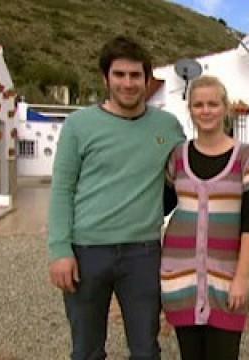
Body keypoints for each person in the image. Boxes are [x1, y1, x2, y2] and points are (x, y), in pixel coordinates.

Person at [47, 35, 185, 360]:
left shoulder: (167, 126)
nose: (128, 83)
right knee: (86, 351)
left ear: (147, 80)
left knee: (146, 350)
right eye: (119, 74)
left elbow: (190, 173)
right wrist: (59, 250)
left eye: (135, 75)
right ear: (105, 78)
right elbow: (62, 190)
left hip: (143, 253)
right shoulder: (79, 125)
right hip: (86, 253)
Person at [160, 75, 249, 360]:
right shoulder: (177, 157)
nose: (205, 110)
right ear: (190, 110)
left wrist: (242, 277)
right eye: (198, 105)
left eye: (212, 103)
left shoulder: (247, 158)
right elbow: (160, 206)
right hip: (180, 280)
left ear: (225, 108)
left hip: (227, 281)